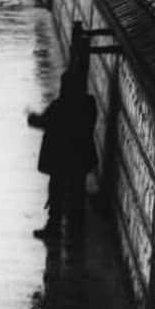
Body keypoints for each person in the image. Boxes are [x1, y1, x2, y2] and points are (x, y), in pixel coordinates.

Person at [27, 71, 97, 241]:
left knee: (56, 193)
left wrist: (31, 117)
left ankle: (54, 227)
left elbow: (43, 122)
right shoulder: (89, 104)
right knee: (76, 193)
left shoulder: (59, 106)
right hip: (80, 158)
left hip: (60, 160)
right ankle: (75, 229)